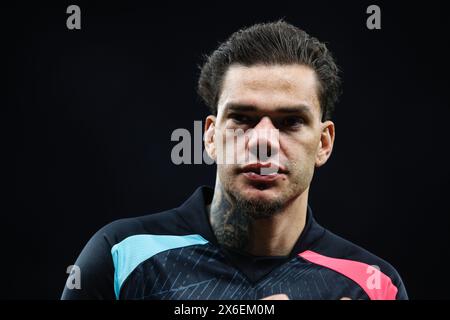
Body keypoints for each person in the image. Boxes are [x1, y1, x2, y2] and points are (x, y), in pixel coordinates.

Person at [62, 20, 408, 300]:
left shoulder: (373, 286)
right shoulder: (123, 256)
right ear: (210, 136)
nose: (262, 141)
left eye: (290, 122)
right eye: (242, 118)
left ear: (324, 142)